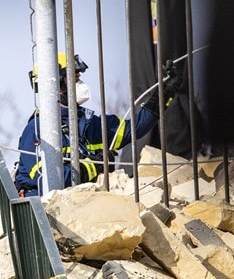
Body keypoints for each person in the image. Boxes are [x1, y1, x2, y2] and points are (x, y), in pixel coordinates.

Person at [14, 53, 180, 195]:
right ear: (55, 85)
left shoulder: (88, 122)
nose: (81, 84)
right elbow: (49, 180)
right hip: (43, 213)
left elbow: (134, 128)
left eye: (79, 78)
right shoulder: (36, 130)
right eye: (74, 78)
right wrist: (94, 166)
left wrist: (163, 93)